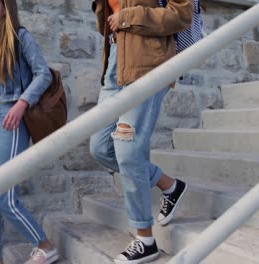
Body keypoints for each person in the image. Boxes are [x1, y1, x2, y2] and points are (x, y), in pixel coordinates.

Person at [89, 0, 193, 263]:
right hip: (115, 65)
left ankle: (145, 238)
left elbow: (181, 15)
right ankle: (168, 185)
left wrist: (127, 17)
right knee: (100, 147)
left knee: (127, 150)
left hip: (148, 65)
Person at [0, 0, 59, 263]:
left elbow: (43, 74)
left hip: (12, 121)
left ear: (6, 8)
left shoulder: (20, 37)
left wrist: (21, 103)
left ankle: (45, 245)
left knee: (5, 198)